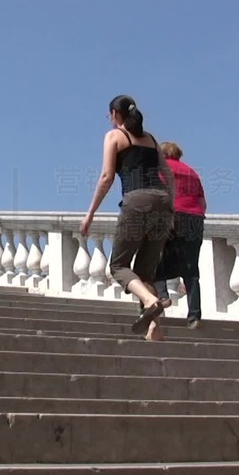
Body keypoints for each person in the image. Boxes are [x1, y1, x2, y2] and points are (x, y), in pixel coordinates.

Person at [80, 95, 175, 341]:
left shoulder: (114, 136)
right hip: (163, 204)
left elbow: (106, 177)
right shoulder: (152, 140)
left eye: (109, 114)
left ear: (115, 114)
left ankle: (150, 299)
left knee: (118, 266)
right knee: (145, 274)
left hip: (137, 201)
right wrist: (170, 207)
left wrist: (90, 214)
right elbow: (168, 175)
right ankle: (154, 328)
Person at [152, 141, 206, 329]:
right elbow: (202, 202)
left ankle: (163, 296)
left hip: (171, 216)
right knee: (191, 271)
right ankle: (194, 316)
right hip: (195, 220)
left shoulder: (160, 169)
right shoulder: (191, 172)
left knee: (154, 260)